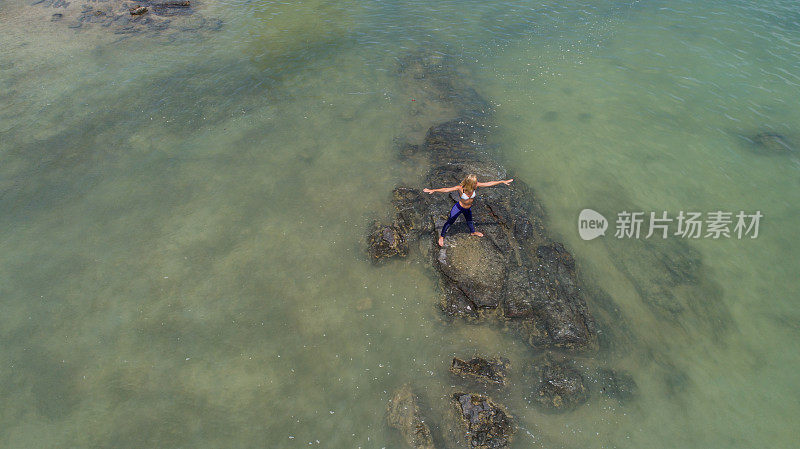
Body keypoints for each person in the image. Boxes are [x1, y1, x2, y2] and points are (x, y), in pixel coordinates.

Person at [423, 174, 514, 246]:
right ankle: (441, 236)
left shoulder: (475, 186)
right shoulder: (460, 188)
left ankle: (473, 232)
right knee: (450, 221)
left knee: (470, 221)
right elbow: (447, 189)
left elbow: (489, 183)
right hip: (459, 207)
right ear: (470, 182)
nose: (477, 182)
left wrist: (502, 181)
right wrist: (434, 190)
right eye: (475, 181)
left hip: (468, 208)